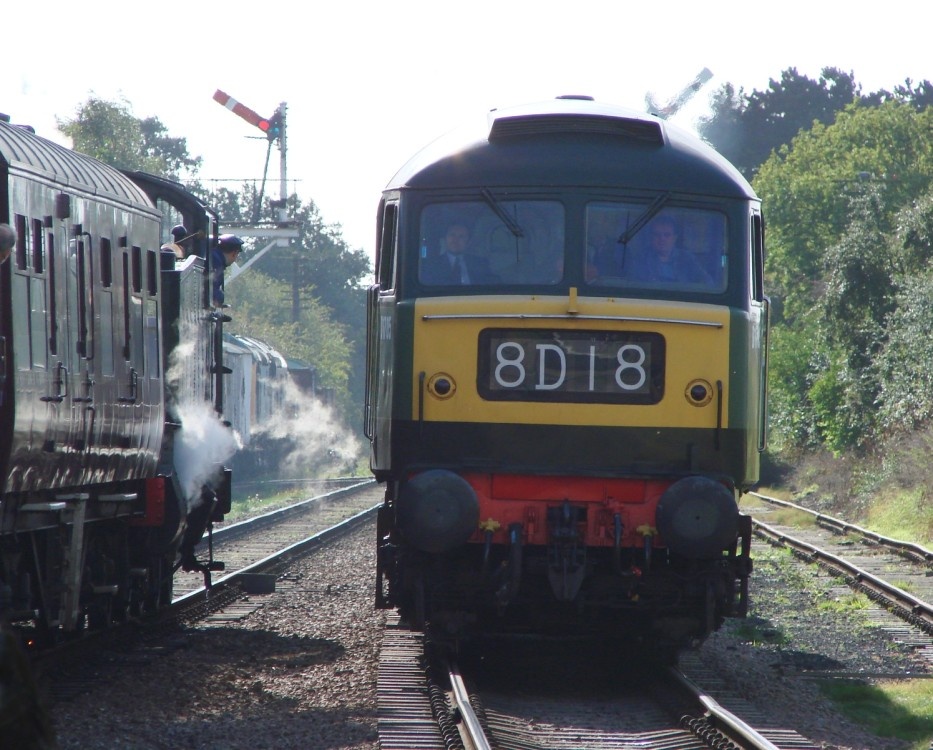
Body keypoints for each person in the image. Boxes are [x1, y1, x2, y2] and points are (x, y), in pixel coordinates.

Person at [628, 215, 712, 285]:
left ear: (675, 237)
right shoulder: (640, 259)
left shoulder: (687, 258)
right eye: (657, 234)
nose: (662, 239)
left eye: (667, 235)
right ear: (651, 237)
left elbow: (707, 282)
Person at [420, 223, 496, 285]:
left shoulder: (480, 263)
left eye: (461, 236)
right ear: (445, 238)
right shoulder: (432, 265)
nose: (455, 240)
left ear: (468, 242)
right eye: (452, 235)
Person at [212, 234, 243, 307]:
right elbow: (213, 290)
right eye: (237, 254)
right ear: (234, 253)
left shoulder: (214, 256)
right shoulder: (217, 263)